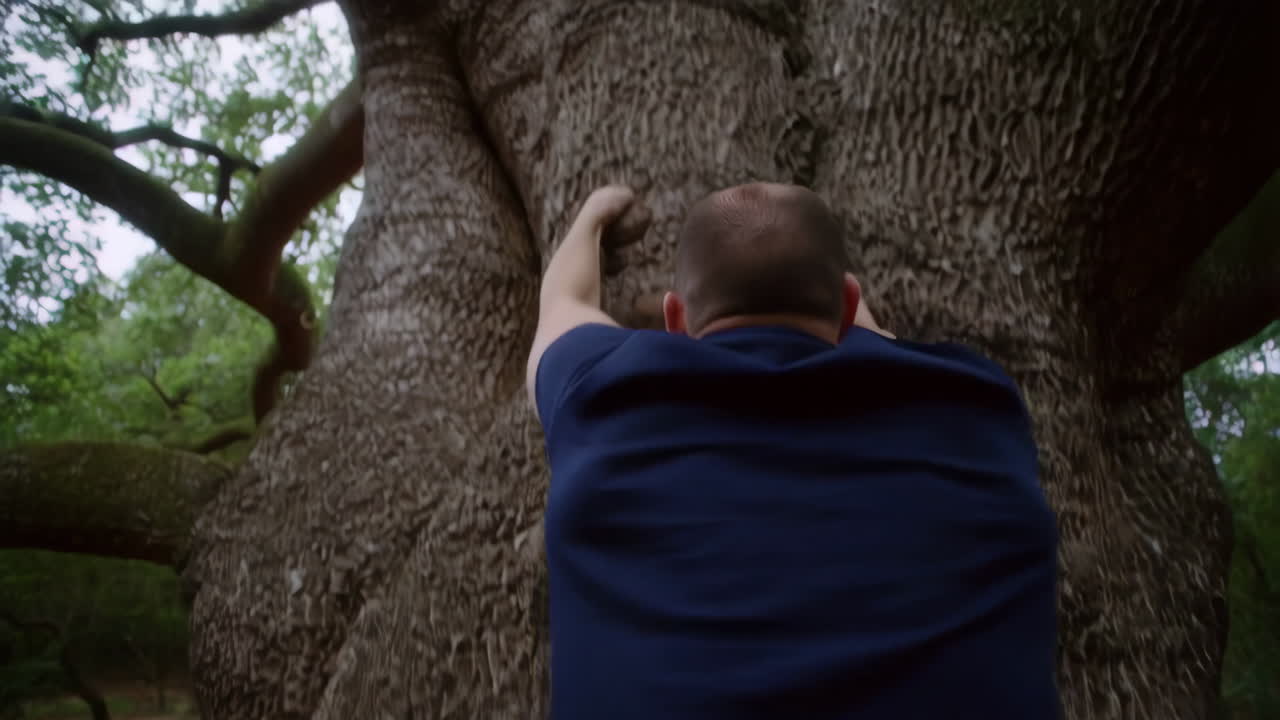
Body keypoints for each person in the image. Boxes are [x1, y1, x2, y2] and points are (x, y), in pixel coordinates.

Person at [526, 182, 1061, 720]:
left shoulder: (601, 392)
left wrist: (593, 217)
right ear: (849, 303)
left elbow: (563, 307)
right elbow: (878, 341)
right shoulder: (976, 403)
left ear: (675, 320)